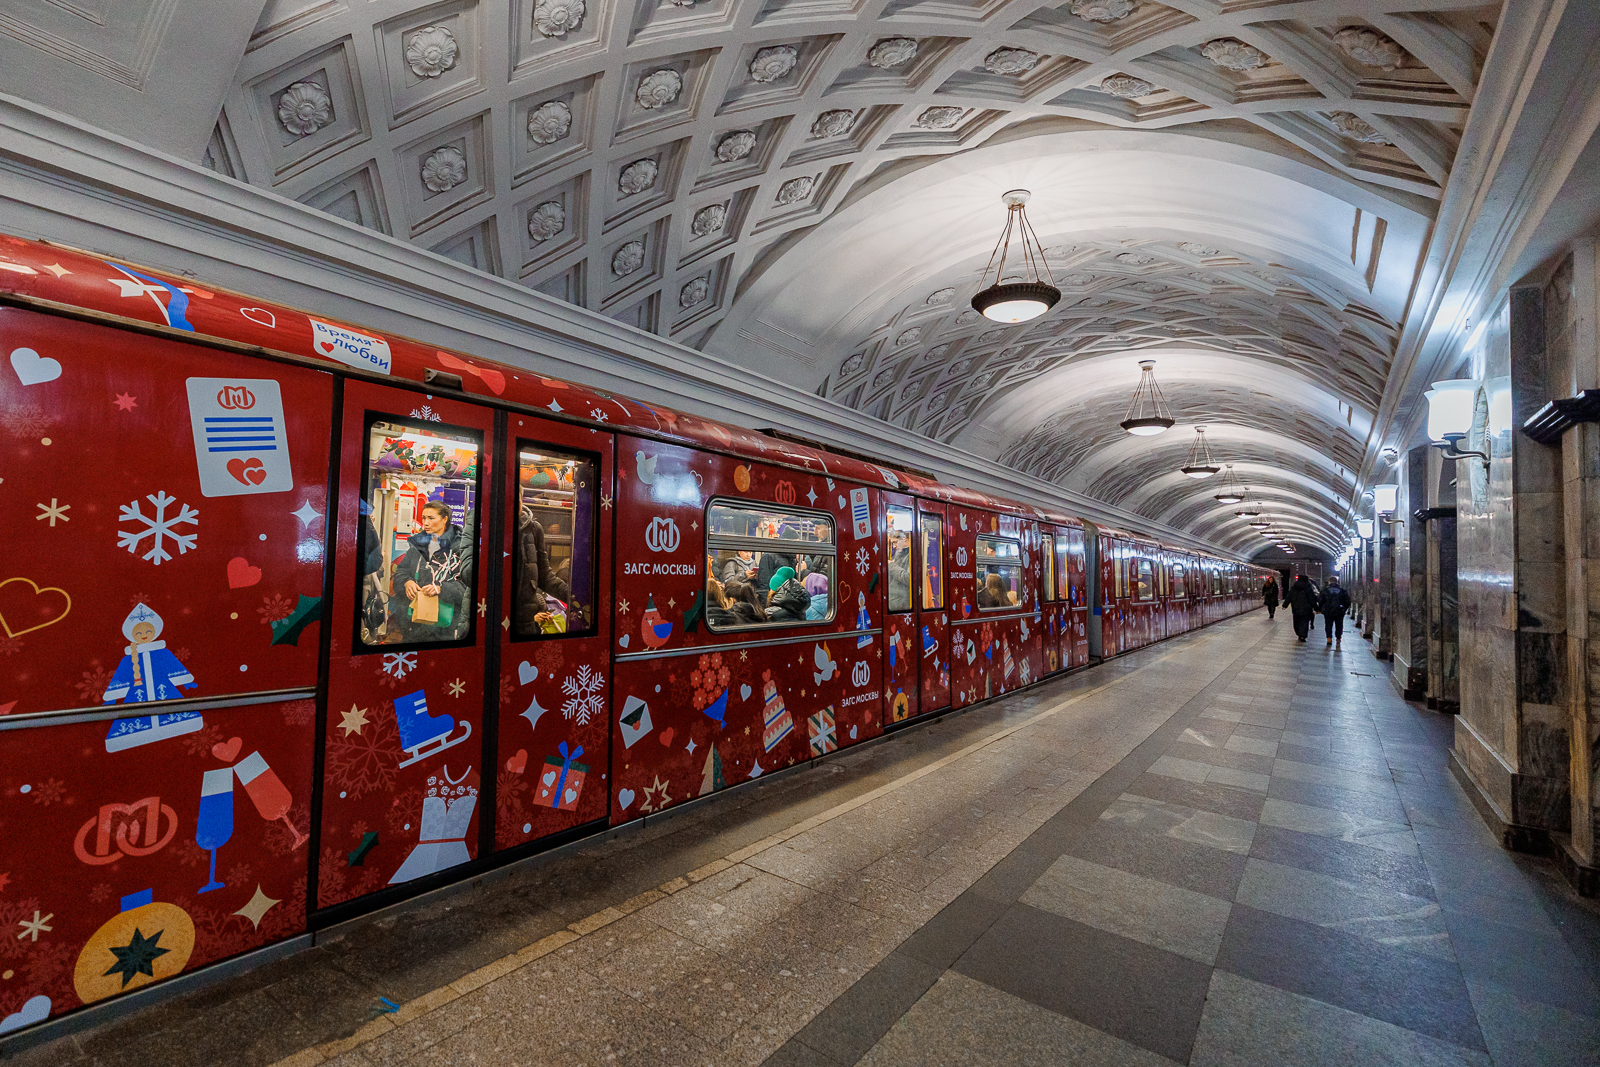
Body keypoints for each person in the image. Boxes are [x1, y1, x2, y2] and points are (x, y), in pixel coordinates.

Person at [393, 500, 473, 641]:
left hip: (445, 626)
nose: (425, 522)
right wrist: (407, 582)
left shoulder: (460, 548)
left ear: (444, 520)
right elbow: (401, 571)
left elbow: (467, 587)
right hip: (414, 621)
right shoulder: (418, 545)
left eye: (431, 518)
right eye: (424, 517)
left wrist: (441, 589)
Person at [515, 506, 571, 634]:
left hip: (524, 625)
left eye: (519, 497)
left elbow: (545, 577)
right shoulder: (478, 519)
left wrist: (576, 598)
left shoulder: (533, 529)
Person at [1284, 574, 1318, 643]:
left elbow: (1289, 596)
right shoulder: (1308, 587)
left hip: (1296, 608)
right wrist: (1316, 608)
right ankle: (1303, 635)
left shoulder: (1294, 587)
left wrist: (1285, 605)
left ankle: (1298, 633)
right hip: (1307, 608)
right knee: (1304, 622)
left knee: (1296, 622)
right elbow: (1312, 599)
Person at [1319, 575, 1352, 648]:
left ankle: (1329, 638)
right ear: (1337, 582)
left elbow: (1320, 600)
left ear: (1329, 582)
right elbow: (1347, 601)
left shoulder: (1325, 590)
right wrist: (1344, 608)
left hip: (1328, 610)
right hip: (1339, 611)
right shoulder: (1342, 591)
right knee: (1339, 624)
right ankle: (1338, 638)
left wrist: (1321, 608)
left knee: (1328, 624)